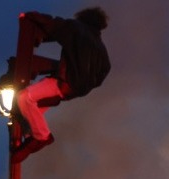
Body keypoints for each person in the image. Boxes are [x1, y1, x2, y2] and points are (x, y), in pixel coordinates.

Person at [13, 7, 111, 163]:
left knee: (24, 98)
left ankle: (41, 136)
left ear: (83, 18)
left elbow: (55, 24)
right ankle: (30, 133)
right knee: (34, 107)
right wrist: (86, 83)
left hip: (63, 83)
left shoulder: (76, 29)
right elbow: (105, 70)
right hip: (76, 90)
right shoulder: (101, 47)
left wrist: (31, 17)